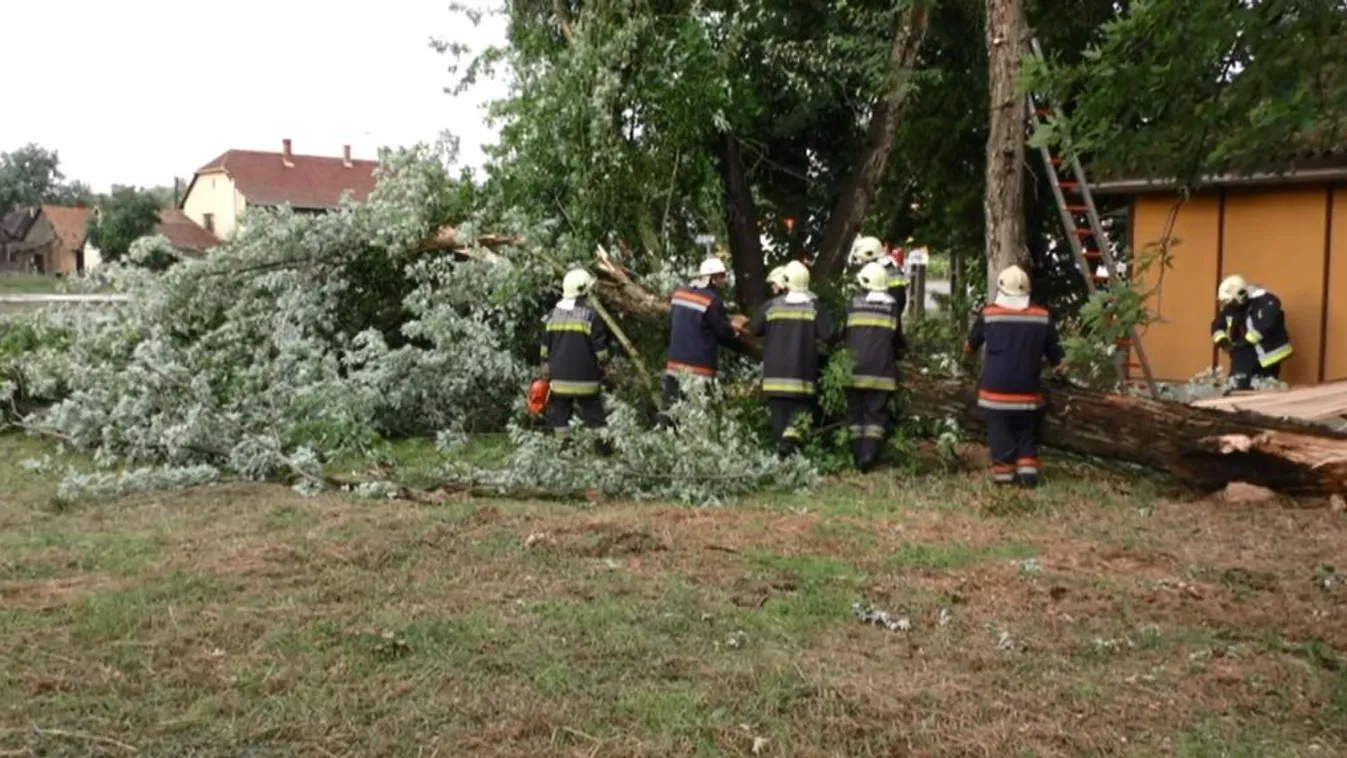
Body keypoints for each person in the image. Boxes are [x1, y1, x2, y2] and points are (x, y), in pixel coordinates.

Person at [964, 265, 1064, 487]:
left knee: (1000, 433)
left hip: (995, 392)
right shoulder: (1042, 317)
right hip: (1028, 392)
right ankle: (1028, 472)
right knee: (1026, 430)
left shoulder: (989, 314)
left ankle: (1004, 475)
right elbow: (1058, 358)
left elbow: (970, 346)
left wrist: (966, 360)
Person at [749, 260, 836, 456]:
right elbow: (829, 334)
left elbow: (754, 329)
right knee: (798, 419)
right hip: (801, 379)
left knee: (779, 423)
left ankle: (783, 458)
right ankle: (788, 447)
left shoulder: (770, 306)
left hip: (774, 379)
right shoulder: (815, 308)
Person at [541, 267, 612, 453]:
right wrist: (606, 367)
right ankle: (603, 449)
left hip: (559, 380)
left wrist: (546, 369)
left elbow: (544, 350)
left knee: (561, 418)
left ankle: (565, 450)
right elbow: (600, 350)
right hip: (586, 379)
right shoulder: (590, 315)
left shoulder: (551, 315)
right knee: (595, 416)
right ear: (583, 290)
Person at [844, 262, 906, 471]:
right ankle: (869, 455)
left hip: (852, 370)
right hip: (881, 371)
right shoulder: (891, 308)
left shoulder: (853, 304)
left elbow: (844, 334)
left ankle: (856, 455)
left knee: (855, 412)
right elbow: (897, 340)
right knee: (875, 413)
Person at [662, 257, 740, 407]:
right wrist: (734, 332)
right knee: (699, 414)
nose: (723, 281)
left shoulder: (679, 294)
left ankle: (662, 430)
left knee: (671, 410)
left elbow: (670, 323)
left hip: (675, 363)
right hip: (700, 368)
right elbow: (723, 331)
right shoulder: (712, 300)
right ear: (714, 278)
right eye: (722, 276)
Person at [1212, 274, 1293, 391]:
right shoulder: (1230, 309)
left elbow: (1265, 325)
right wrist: (1223, 342)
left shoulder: (1266, 303)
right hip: (1243, 353)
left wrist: (1244, 342)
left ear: (1240, 295)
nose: (1228, 306)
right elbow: (1217, 327)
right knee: (1238, 387)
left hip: (1268, 355)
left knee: (1262, 389)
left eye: (1231, 301)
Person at [849, 235, 909, 316]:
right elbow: (901, 302)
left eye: (863, 259)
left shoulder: (873, 273)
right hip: (890, 321)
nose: (862, 263)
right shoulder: (894, 271)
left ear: (869, 255)